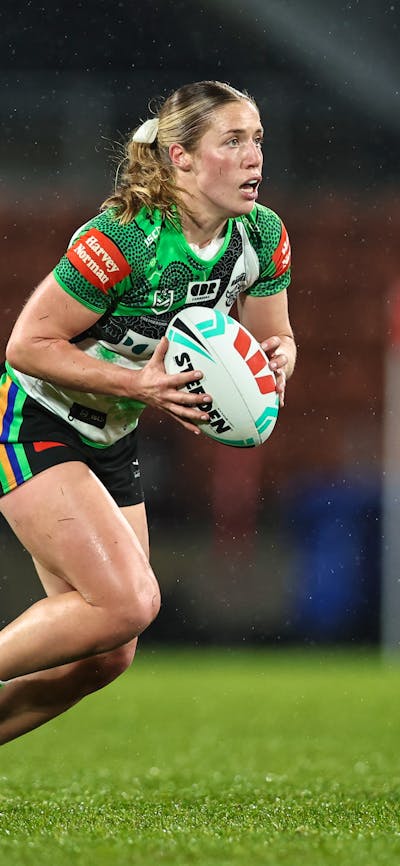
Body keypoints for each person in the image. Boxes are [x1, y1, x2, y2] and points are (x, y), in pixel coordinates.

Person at [0, 80, 296, 744]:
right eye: (233, 141)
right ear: (180, 157)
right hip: (37, 420)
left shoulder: (262, 236)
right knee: (128, 602)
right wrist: (138, 388)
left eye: (258, 141)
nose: (254, 158)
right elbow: (27, 345)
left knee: (109, 650)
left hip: (110, 432)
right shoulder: (125, 238)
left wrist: (279, 357)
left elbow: (275, 335)